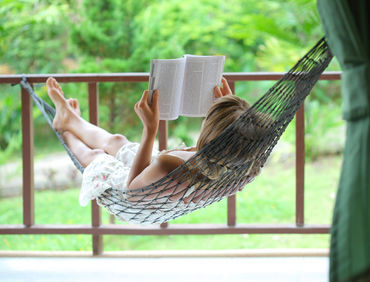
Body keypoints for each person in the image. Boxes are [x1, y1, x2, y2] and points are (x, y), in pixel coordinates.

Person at [45, 77, 250, 209]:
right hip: (152, 171)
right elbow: (232, 141)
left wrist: (150, 129)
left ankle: (65, 131)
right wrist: (228, 112)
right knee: (116, 141)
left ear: (212, 133)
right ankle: (71, 120)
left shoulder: (169, 163)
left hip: (130, 187)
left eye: (208, 118)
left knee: (97, 157)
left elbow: (132, 191)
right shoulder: (238, 159)